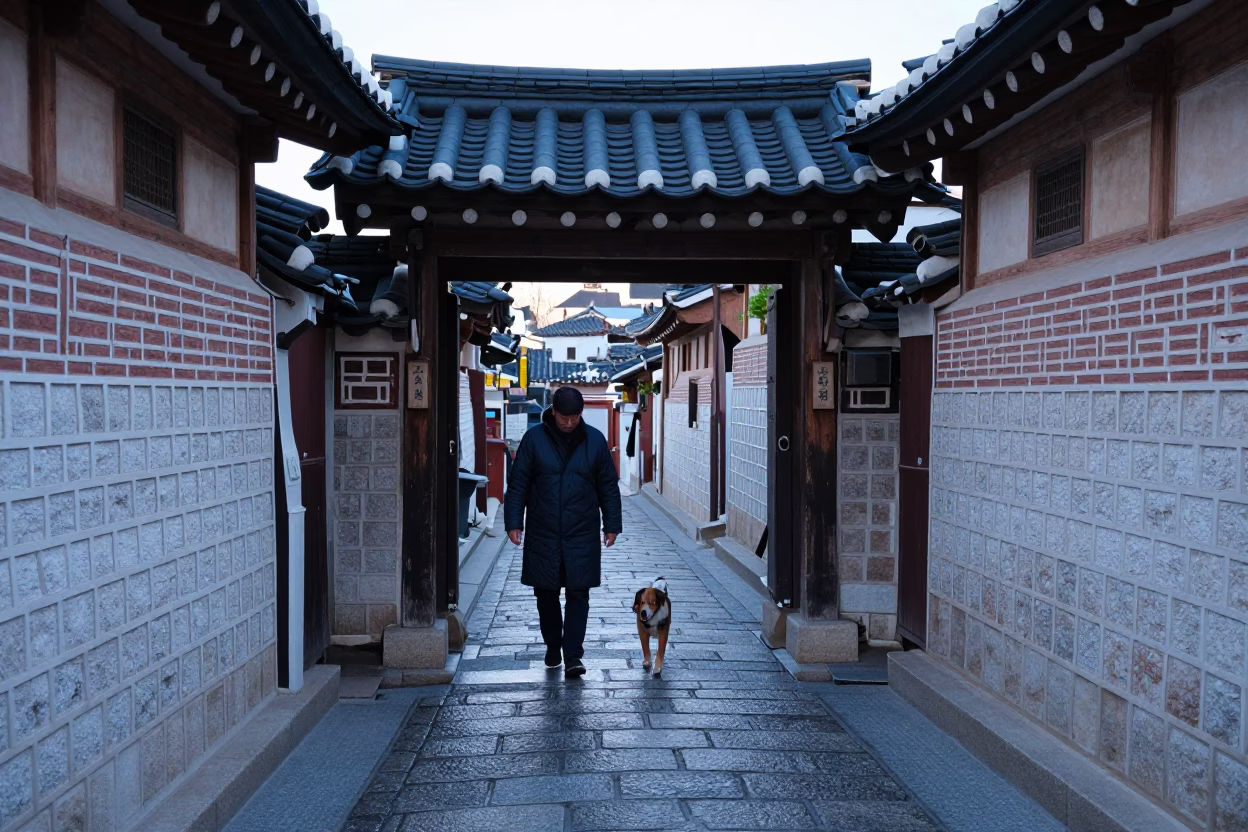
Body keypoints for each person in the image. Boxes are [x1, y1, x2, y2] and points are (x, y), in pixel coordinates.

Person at [504, 386, 623, 677]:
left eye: (574, 417)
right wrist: (513, 522)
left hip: (581, 530)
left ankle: (573, 655)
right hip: (543, 530)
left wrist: (612, 525)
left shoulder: (594, 440)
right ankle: (553, 645)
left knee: (578, 593)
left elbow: (608, 485)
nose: (568, 422)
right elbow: (518, 483)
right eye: (563, 417)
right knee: (545, 593)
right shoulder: (534, 439)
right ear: (553, 412)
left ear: (580, 414)